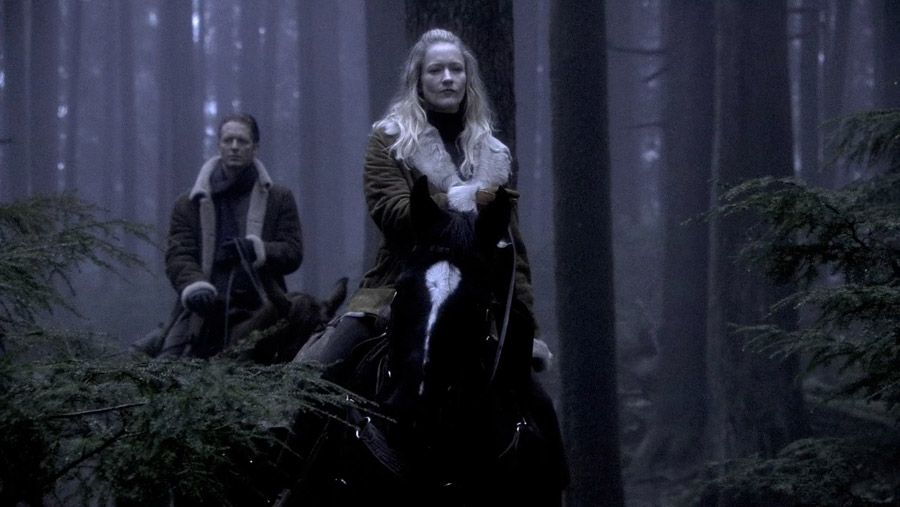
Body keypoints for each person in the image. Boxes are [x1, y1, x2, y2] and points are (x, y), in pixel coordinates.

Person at [293, 28, 567, 495]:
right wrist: (467, 198)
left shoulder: (493, 154)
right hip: (398, 287)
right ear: (418, 81)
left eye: (456, 69)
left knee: (540, 410)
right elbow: (393, 211)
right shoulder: (389, 141)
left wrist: (528, 327)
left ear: (467, 79)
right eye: (435, 70)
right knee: (315, 375)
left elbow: (512, 250)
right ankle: (288, 485)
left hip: (479, 296)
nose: (447, 78)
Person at [163, 112, 303, 358]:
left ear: (255, 148)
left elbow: (293, 252)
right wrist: (195, 287)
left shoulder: (279, 198)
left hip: (263, 306)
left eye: (242, 141)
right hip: (203, 309)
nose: (235, 147)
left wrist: (258, 250)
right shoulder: (188, 203)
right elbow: (178, 255)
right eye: (228, 140)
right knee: (165, 363)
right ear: (219, 145)